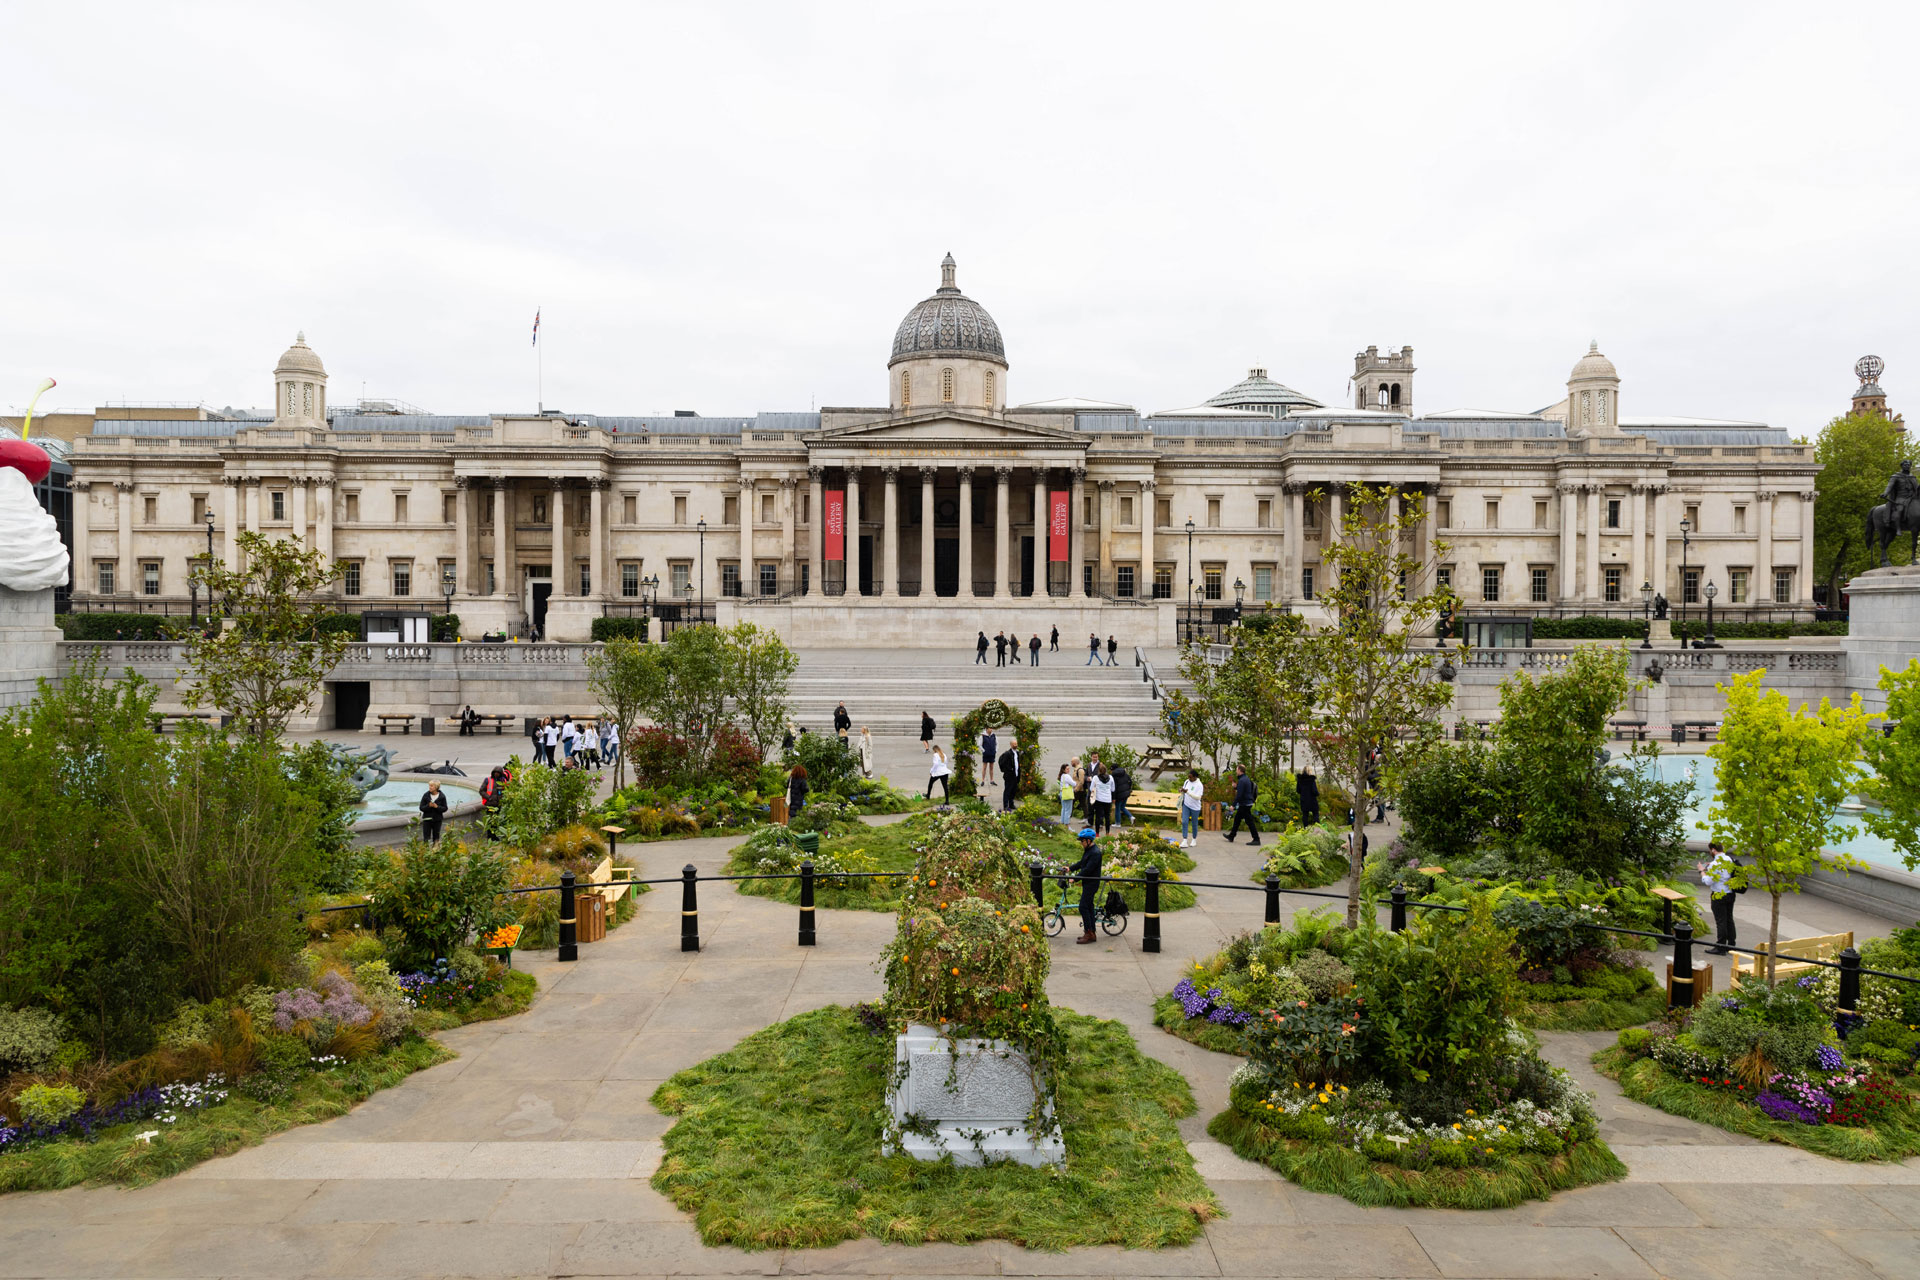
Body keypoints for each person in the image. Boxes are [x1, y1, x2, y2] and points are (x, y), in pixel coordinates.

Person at [1697, 841, 1742, 954]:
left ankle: (1720, 946)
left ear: (1713, 850)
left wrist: (1702, 871)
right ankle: (1731, 944)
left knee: (1720, 921)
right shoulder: (1729, 859)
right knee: (1729, 919)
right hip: (1730, 893)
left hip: (1718, 894)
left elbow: (1708, 881)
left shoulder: (1714, 864)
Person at [1067, 826, 1103, 944]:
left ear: (1089, 840)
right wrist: (1070, 869)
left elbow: (1087, 869)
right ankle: (1091, 932)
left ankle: (1089, 933)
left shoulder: (1095, 853)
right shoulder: (1089, 851)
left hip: (1091, 884)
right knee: (1089, 907)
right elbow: (1082, 863)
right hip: (1088, 883)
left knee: (1083, 907)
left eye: (1082, 841)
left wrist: (1075, 879)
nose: (1081, 843)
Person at [1223, 765, 1261, 845]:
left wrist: (1233, 805)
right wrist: (1236, 787)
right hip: (1247, 803)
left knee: (1249, 822)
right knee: (1237, 819)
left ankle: (1256, 839)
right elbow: (1244, 790)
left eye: (1237, 770)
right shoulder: (1246, 779)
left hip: (1245, 804)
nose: (1236, 771)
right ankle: (1232, 836)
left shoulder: (1242, 781)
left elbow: (1239, 795)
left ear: (1240, 770)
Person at [1179, 768, 1205, 848]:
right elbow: (1184, 790)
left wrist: (1188, 792)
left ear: (1195, 777)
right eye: (1188, 777)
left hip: (1195, 807)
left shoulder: (1199, 785)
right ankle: (1184, 840)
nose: (1189, 779)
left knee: (1194, 823)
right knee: (1184, 822)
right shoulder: (1187, 781)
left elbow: (1198, 797)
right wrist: (1181, 790)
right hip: (1186, 805)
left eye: (1191, 777)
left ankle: (1194, 839)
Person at [1089, 765, 1115, 834]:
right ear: (1106, 770)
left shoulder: (1095, 778)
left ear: (1099, 771)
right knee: (1107, 817)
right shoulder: (1111, 777)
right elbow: (1113, 789)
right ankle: (1107, 833)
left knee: (1098, 816)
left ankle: (1097, 833)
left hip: (1099, 799)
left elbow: (1091, 788)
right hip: (1108, 800)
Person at [1112, 760, 1134, 826]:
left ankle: (1118, 823)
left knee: (1117, 809)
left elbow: (1114, 788)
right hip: (1126, 794)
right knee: (1122, 807)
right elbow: (1130, 781)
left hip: (1119, 795)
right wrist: (1128, 789)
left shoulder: (1114, 776)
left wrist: (1114, 797)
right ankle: (1131, 817)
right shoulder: (1124, 773)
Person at [1000, 741, 1020, 812]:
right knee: (1007, 790)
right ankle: (1005, 805)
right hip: (1009, 776)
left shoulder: (1017, 753)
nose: (1015, 745)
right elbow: (1003, 763)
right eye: (1014, 744)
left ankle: (1011, 803)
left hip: (1016, 775)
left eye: (1016, 744)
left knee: (1013, 790)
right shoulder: (1008, 754)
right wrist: (1009, 769)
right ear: (1011, 745)